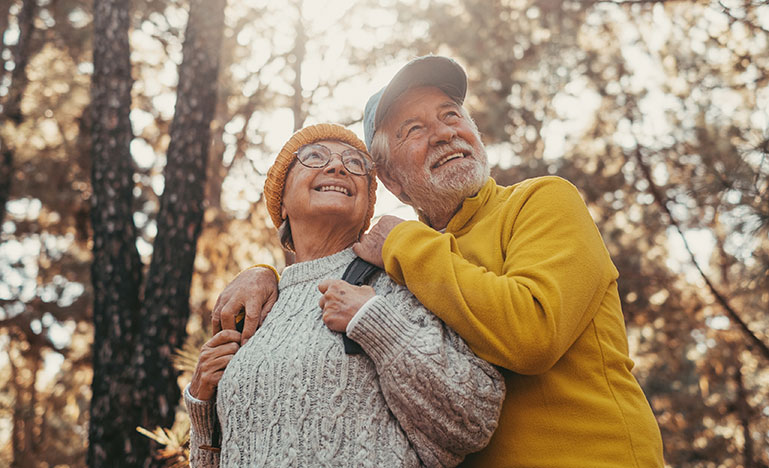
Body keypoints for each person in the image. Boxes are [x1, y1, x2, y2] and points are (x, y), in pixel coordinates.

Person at [215, 57, 665, 467]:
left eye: (452, 115)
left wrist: (404, 241)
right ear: (391, 179)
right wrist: (267, 276)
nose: (445, 132)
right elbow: (320, 274)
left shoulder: (541, 202)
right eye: (413, 129)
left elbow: (533, 332)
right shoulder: (397, 264)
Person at [186, 123, 505, 468]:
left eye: (355, 163)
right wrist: (202, 413)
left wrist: (376, 322)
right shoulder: (255, 308)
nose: (337, 167)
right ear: (281, 202)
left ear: (368, 203)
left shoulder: (398, 282)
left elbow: (474, 419)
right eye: (313, 157)